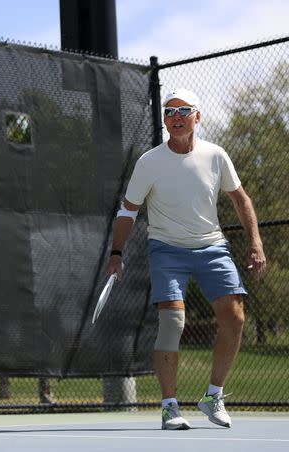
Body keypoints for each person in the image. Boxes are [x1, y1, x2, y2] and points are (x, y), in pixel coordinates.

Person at [106, 89, 266, 430]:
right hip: (166, 248)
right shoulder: (149, 162)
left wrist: (255, 242)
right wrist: (116, 253)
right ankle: (169, 407)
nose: (176, 117)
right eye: (169, 112)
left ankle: (213, 396)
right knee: (172, 323)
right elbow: (128, 211)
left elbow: (241, 200)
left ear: (198, 117)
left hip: (212, 247)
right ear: (165, 121)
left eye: (184, 111)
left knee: (235, 318)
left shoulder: (216, 155)